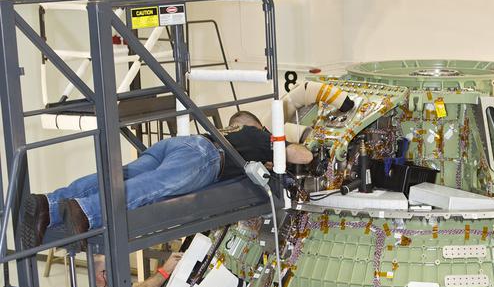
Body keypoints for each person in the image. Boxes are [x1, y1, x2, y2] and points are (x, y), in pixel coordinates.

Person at [20, 110, 312, 249]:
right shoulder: (261, 137)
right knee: (153, 187)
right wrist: (282, 146)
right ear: (258, 125)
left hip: (178, 143)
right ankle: (86, 211)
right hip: (207, 157)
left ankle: (48, 201)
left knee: (123, 174)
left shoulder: (228, 130)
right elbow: (303, 156)